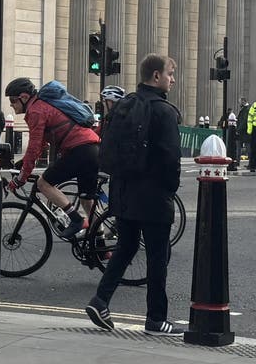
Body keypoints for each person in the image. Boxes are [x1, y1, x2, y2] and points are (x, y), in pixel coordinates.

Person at [85, 54, 182, 336]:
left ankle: (100, 300)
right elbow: (170, 157)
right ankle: (156, 319)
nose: (172, 79)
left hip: (123, 191)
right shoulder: (164, 111)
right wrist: (170, 189)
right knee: (157, 256)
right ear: (155, 76)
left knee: (125, 248)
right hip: (152, 194)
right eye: (170, 74)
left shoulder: (124, 105)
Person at [5, 77, 100, 239]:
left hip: (79, 150)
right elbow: (42, 143)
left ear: (24, 97)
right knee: (87, 200)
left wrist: (20, 179)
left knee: (43, 183)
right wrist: (23, 164)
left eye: (13, 100)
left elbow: (34, 146)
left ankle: (76, 220)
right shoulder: (43, 106)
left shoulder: (36, 111)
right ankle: (101, 247)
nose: (11, 105)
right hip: (92, 149)